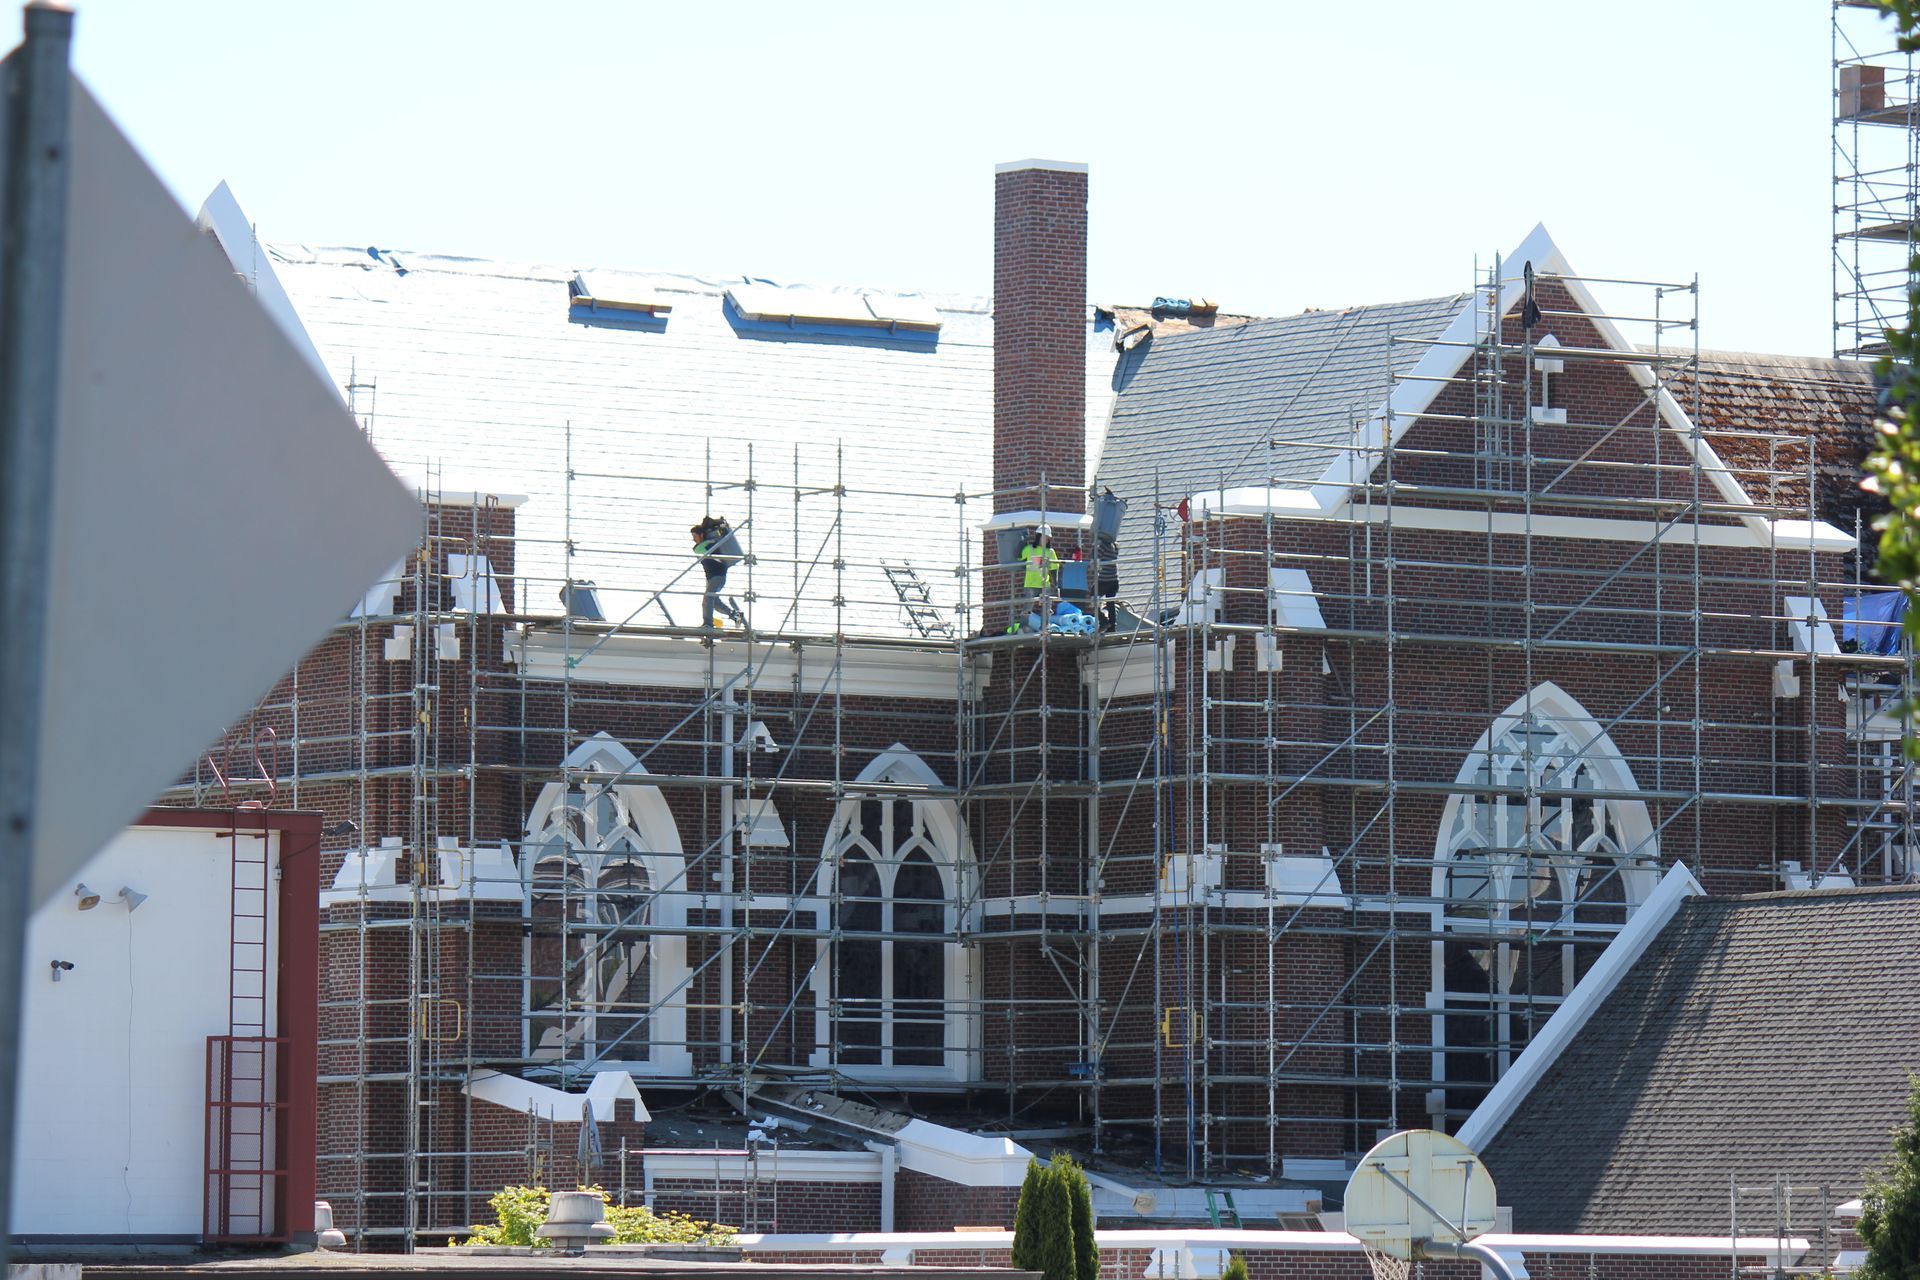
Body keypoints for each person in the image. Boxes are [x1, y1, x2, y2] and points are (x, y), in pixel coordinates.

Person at [692, 516, 746, 629]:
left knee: (708, 598)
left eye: (695, 536)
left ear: (701, 535)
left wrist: (711, 540)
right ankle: (735, 615)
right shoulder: (708, 544)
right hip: (713, 577)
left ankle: (707, 624)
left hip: (717, 577)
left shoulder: (707, 546)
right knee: (714, 602)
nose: (693, 539)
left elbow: (697, 549)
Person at [1017, 524, 1060, 628]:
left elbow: (1054, 569)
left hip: (1045, 584)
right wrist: (1022, 543)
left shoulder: (1050, 552)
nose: (1045, 540)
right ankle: (1023, 627)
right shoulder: (1029, 549)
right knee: (1028, 607)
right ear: (1038, 537)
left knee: (1046, 607)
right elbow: (1018, 557)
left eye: (1047, 538)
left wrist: (1055, 584)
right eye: (1043, 537)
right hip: (1030, 584)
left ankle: (1044, 627)